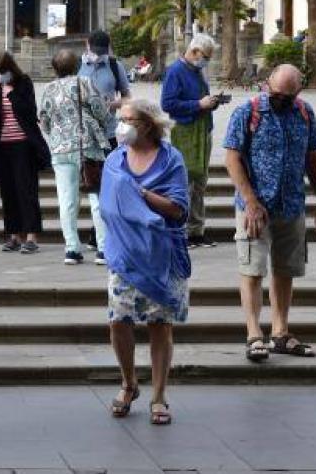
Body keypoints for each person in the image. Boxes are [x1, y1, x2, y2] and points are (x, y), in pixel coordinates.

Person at [222, 65, 316, 362]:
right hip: (255, 207)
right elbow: (232, 159)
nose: (280, 100)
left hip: (291, 204)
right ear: (267, 84)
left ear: (299, 91)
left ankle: (280, 332)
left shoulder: (304, 112)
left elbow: (313, 157)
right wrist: (250, 200)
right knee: (252, 269)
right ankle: (254, 334)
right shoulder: (247, 112)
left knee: (286, 270)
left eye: (288, 96)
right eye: (276, 93)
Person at [99, 99, 191, 426]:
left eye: (129, 120)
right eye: (120, 119)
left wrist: (139, 194)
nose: (122, 126)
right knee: (118, 321)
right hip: (124, 254)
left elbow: (178, 209)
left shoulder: (171, 160)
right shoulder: (115, 159)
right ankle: (129, 383)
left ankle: (159, 395)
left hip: (160, 255)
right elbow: (108, 205)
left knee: (159, 325)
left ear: (148, 125)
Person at [38, 49, 111, 265]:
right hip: (87, 147)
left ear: (55, 68)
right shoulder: (84, 83)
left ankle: (71, 248)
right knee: (96, 197)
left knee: (67, 200)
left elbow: (44, 121)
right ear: (77, 66)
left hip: (60, 149)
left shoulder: (48, 89)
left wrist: (57, 135)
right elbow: (100, 111)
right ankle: (103, 249)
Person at [0, 51, 50, 254]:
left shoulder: (24, 82)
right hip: (2, 145)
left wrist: (10, 94)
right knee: (8, 191)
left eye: (2, 72)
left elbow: (29, 111)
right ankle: (14, 235)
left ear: (10, 70)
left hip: (23, 144)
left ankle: (31, 236)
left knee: (27, 190)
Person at [160, 34, 223, 249]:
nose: (207, 61)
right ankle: (183, 231)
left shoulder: (196, 71)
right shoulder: (175, 71)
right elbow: (168, 104)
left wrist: (211, 103)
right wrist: (198, 105)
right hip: (185, 131)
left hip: (202, 129)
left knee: (199, 183)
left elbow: (199, 100)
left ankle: (196, 231)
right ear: (194, 51)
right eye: (206, 56)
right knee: (185, 182)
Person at [78, 29, 132, 261]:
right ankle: (95, 235)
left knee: (107, 184)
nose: (98, 55)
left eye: (102, 51)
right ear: (87, 45)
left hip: (109, 132)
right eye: (95, 50)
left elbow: (127, 96)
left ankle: (100, 233)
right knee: (91, 185)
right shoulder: (78, 65)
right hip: (85, 135)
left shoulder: (114, 65)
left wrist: (114, 104)